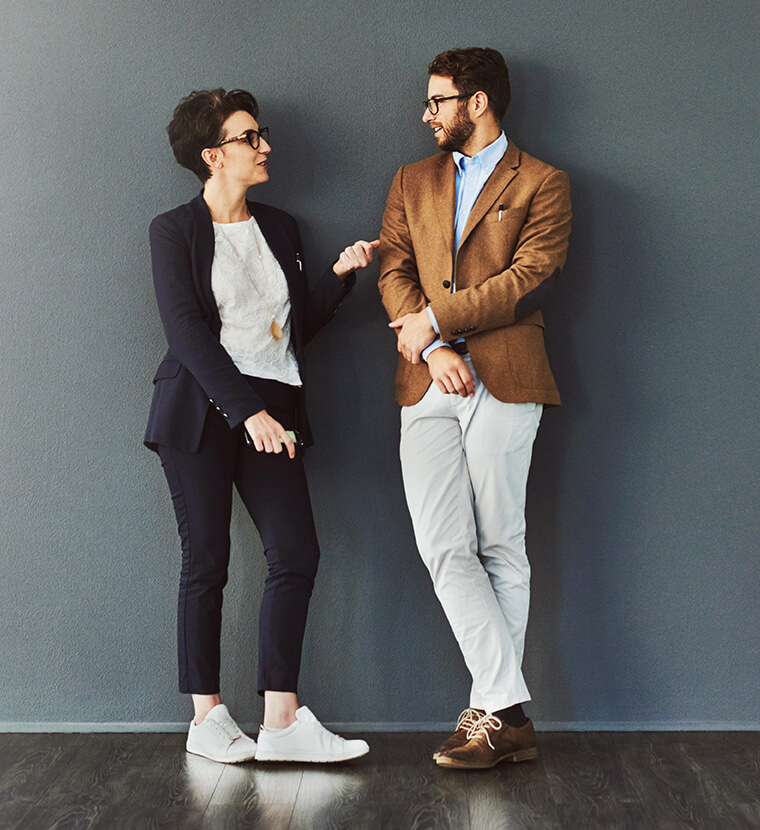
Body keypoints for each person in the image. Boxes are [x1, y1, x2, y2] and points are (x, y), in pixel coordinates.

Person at [145, 88, 378, 764]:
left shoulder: (279, 226)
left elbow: (290, 327)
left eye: (261, 134)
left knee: (296, 554)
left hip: (274, 407)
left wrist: (337, 277)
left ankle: (281, 721)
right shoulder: (174, 230)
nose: (265, 145)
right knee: (207, 561)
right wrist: (245, 412)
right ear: (213, 155)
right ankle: (206, 719)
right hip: (202, 409)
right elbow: (186, 332)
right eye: (250, 137)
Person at [378, 48, 571, 769]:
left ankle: (489, 720)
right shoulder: (411, 179)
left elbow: (531, 275)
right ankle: (508, 708)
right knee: (442, 546)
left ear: (478, 101)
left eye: (438, 101)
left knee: (500, 544)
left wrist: (441, 321)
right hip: (428, 379)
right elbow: (395, 267)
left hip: (509, 374)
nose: (427, 114)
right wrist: (431, 347)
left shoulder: (544, 182)